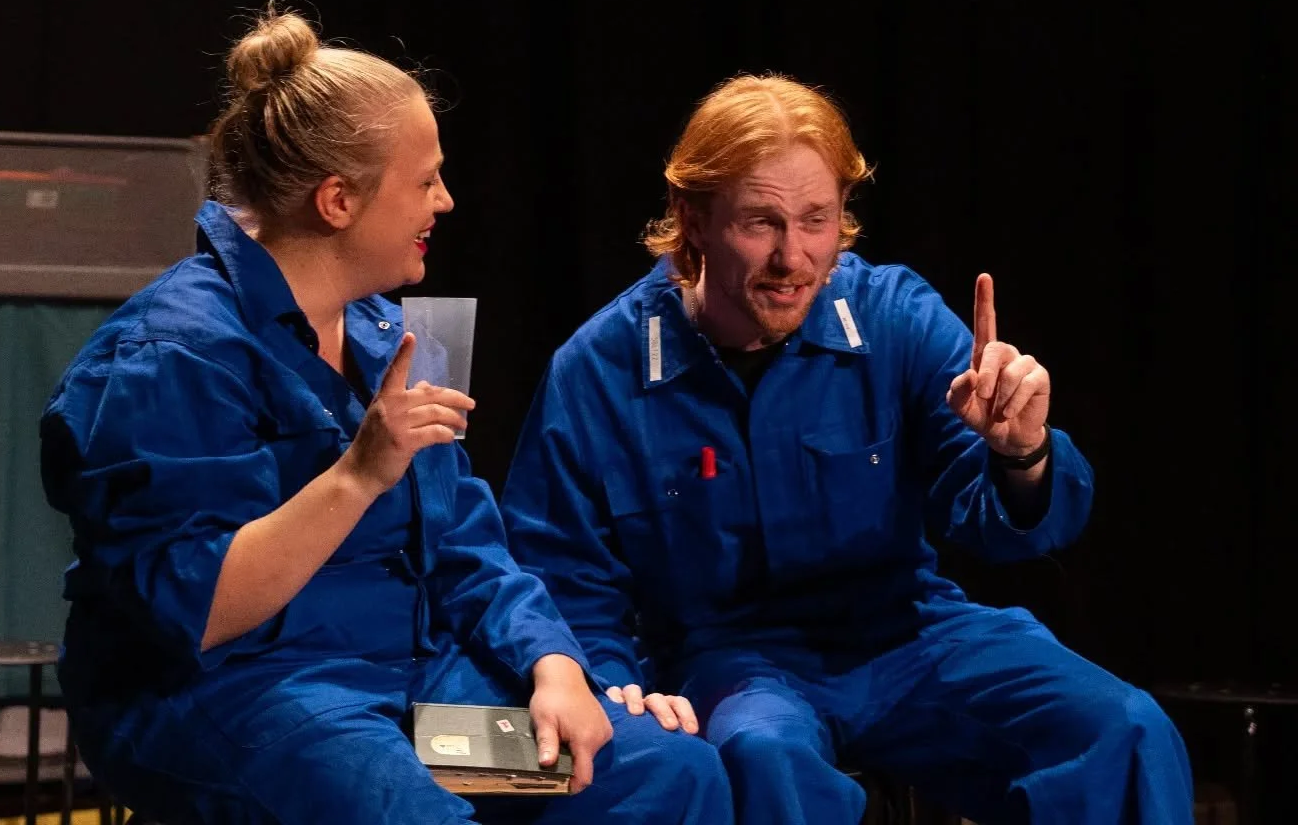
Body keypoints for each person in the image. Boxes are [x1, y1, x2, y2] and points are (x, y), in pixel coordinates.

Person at [39, 8, 732, 825]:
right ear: (338, 200)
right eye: (425, 181)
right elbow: (199, 609)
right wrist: (358, 475)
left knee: (667, 775)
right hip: (238, 694)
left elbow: (464, 541)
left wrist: (552, 663)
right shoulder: (172, 354)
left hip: (411, 685)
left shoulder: (386, 337)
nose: (446, 200)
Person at [500, 74, 1193, 824]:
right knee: (764, 754)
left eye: (816, 221)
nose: (792, 257)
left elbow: (996, 523)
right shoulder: (601, 369)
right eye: (760, 223)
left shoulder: (893, 316)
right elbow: (560, 574)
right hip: (732, 662)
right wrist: (613, 686)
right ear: (693, 218)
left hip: (911, 633)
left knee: (1123, 728)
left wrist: (1022, 454)